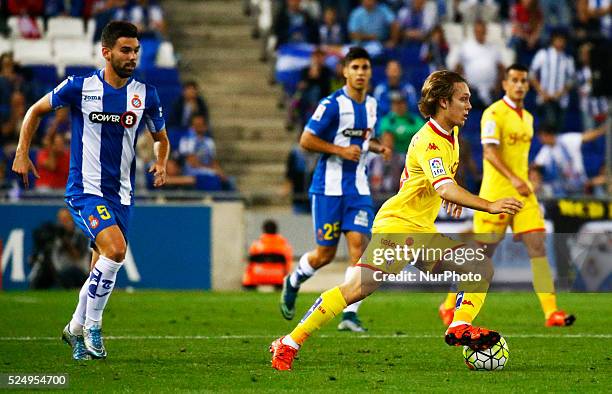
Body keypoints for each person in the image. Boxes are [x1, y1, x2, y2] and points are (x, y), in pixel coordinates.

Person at [270, 70, 524, 371]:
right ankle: (288, 344)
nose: (469, 105)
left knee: (478, 266)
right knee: (355, 290)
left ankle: (459, 326)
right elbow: (443, 184)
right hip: (398, 228)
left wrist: (447, 196)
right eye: (463, 99)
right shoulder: (428, 140)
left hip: (420, 232)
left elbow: (433, 181)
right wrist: (488, 204)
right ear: (444, 102)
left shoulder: (451, 134)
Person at [12, 21, 169, 360]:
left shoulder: (146, 95)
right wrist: (22, 152)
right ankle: (94, 327)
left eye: (136, 51)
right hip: (85, 190)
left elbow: (161, 139)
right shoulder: (79, 88)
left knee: (101, 265)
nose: (132, 57)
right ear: (106, 52)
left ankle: (73, 329)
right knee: (115, 250)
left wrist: (162, 162)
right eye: (125, 50)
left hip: (123, 195)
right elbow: (33, 111)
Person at [438, 64, 576, 328]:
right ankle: (449, 303)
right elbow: (489, 152)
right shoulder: (493, 113)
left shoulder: (528, 118)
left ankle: (551, 312)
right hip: (496, 194)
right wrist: (513, 178)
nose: (520, 85)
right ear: (505, 84)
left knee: (537, 247)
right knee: (481, 256)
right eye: (514, 80)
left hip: (523, 194)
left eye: (524, 81)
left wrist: (527, 176)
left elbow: (519, 158)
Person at [279, 47, 392, 333]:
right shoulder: (331, 104)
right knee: (324, 255)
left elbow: (365, 138)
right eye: (355, 67)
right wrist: (340, 151)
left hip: (358, 188)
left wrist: (377, 147)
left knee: (359, 248)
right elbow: (306, 140)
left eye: (365, 67)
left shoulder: (372, 105)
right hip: (328, 188)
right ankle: (293, 280)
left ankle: (349, 315)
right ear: (344, 71)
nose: (361, 73)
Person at [533, 123, 607, 197]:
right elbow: (535, 166)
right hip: (563, 190)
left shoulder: (566, 139)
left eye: (541, 136)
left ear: (547, 135)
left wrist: (604, 129)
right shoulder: (545, 151)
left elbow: (587, 137)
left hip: (579, 185)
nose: (540, 140)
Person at [29, 208, 91, 289]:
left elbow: (77, 256)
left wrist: (65, 240)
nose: (63, 223)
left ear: (73, 220)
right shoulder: (56, 234)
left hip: (79, 271)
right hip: (60, 271)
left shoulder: (80, 235)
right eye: (61, 220)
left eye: (66, 220)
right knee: (43, 274)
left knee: (69, 273)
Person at [529, 30, 575, 132]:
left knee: (558, 129)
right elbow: (531, 74)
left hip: (561, 99)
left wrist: (560, 93)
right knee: (549, 126)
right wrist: (541, 92)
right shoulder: (543, 54)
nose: (560, 43)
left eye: (562, 41)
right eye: (558, 40)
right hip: (544, 98)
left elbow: (571, 80)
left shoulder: (568, 59)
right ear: (552, 41)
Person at [243, 220, 294, 288]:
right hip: (278, 277)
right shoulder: (284, 245)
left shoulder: (256, 244)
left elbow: (250, 263)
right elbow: (288, 264)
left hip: (257, 276)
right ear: (276, 230)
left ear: (263, 229)